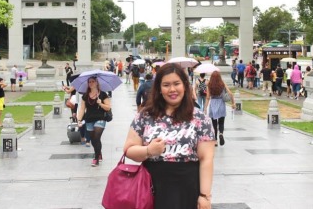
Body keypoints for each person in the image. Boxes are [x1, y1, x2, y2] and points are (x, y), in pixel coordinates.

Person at [123, 63, 215, 209]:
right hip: (152, 187)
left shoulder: (200, 118)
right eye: (166, 85)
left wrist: (204, 196)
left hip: (188, 187)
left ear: (185, 85)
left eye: (176, 84)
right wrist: (148, 151)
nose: (172, 89)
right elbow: (128, 150)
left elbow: (206, 159)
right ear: (159, 88)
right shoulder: (145, 116)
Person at [76, 76, 111, 167]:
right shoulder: (85, 95)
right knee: (93, 140)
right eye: (89, 82)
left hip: (100, 118)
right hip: (89, 119)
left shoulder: (103, 94)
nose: (91, 83)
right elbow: (82, 109)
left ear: (96, 83)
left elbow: (108, 107)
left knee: (96, 136)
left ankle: (96, 158)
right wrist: (79, 120)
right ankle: (99, 152)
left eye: (92, 81)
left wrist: (100, 103)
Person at [204, 71, 235, 147]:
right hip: (221, 104)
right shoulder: (222, 83)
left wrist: (205, 108)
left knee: (214, 123)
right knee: (221, 122)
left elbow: (208, 97)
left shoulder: (209, 85)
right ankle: (221, 133)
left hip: (213, 104)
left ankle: (215, 141)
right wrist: (233, 103)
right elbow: (230, 93)